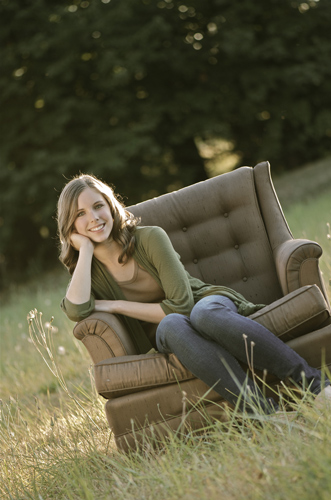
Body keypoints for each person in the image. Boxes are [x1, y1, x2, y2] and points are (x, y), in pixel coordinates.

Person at [57, 174, 331, 414]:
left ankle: (315, 386)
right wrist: (86, 252)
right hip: (169, 333)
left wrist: (116, 305)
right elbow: (76, 310)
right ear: (70, 225)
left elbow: (182, 304)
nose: (93, 218)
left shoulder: (150, 237)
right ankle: (262, 412)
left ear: (111, 207)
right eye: (80, 214)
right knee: (171, 324)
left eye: (97, 206)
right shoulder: (87, 269)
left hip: (206, 302)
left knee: (201, 313)